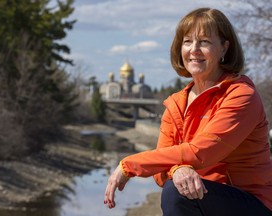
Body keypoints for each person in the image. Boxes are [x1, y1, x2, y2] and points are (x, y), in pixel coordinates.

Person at [104, 7, 272, 216]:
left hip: (249, 203)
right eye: (187, 41)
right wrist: (177, 169)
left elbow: (201, 152)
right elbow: (160, 174)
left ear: (224, 48)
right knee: (175, 187)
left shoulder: (241, 95)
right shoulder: (176, 103)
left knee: (176, 192)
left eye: (204, 42)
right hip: (203, 197)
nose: (194, 49)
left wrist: (129, 165)